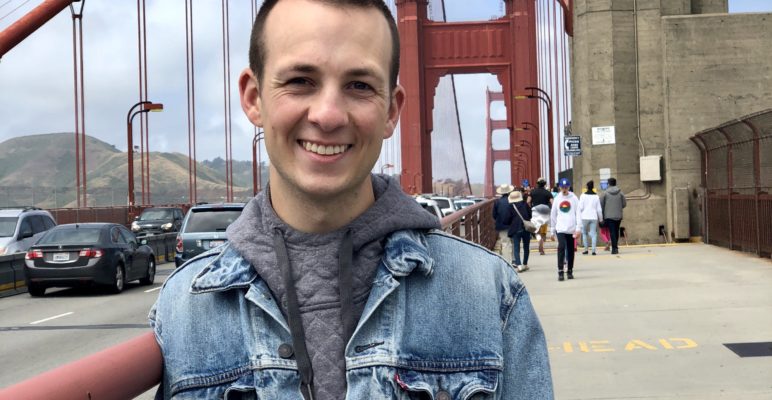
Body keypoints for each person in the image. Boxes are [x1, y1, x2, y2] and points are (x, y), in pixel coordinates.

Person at [149, 1, 553, 399]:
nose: (328, 115)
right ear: (254, 98)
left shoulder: (489, 293)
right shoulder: (183, 309)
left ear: (391, 111)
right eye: (300, 81)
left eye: (359, 86)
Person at [550, 177, 581, 281]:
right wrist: (552, 230)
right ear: (559, 187)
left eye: (566, 187)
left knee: (571, 250)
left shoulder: (574, 198)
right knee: (561, 247)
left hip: (571, 228)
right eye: (562, 187)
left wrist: (578, 228)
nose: (564, 189)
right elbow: (553, 214)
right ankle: (560, 271)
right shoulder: (557, 199)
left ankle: (570, 271)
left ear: (569, 187)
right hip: (560, 228)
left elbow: (578, 213)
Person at [601, 177, 627, 254]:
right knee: (616, 231)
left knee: (612, 231)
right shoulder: (620, 193)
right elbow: (624, 204)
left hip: (609, 216)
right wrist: (618, 207)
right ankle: (615, 247)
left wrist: (603, 213)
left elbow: (601, 204)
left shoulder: (605, 193)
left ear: (609, 184)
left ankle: (614, 249)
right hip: (618, 215)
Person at [527, 177, 553, 255]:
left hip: (536, 211)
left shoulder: (533, 192)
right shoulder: (548, 193)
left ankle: (539, 241)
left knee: (537, 231)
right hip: (545, 211)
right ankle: (542, 245)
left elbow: (528, 201)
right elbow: (552, 202)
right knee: (543, 232)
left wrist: (531, 207)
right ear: (544, 184)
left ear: (537, 184)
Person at [508, 190, 532, 272]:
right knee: (526, 246)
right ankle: (525, 264)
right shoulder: (525, 204)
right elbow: (530, 215)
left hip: (515, 228)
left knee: (516, 247)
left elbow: (508, 218)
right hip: (526, 228)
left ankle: (519, 265)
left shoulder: (510, 206)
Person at [578, 180, 603, 255]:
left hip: (584, 217)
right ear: (593, 187)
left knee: (584, 233)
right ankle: (593, 251)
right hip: (594, 217)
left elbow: (580, 208)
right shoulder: (596, 196)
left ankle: (586, 250)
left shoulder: (582, 196)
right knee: (594, 234)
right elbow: (599, 209)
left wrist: (579, 216)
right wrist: (601, 219)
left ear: (586, 187)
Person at [492, 183, 515, 264]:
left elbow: (494, 215)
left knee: (505, 243)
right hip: (512, 225)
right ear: (509, 191)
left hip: (502, 225)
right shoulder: (513, 201)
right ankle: (514, 260)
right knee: (513, 242)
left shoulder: (497, 202)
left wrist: (499, 220)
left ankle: (507, 262)